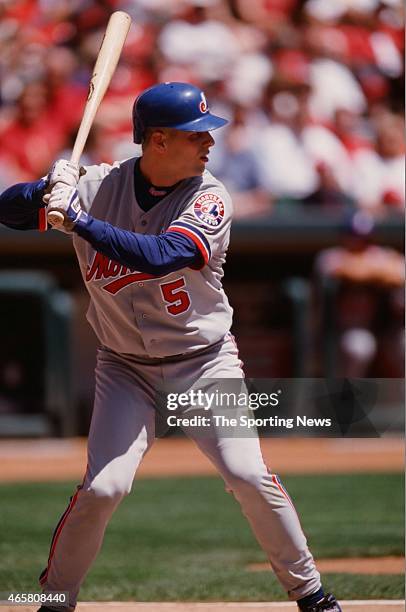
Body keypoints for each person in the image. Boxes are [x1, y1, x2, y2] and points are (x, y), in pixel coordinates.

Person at [0, 82, 341, 612]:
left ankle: (311, 593)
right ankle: (51, 602)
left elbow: (163, 254)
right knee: (103, 489)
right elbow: (7, 212)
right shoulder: (96, 185)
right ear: (156, 140)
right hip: (124, 369)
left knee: (248, 474)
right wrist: (42, 192)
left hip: (203, 364)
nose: (209, 144)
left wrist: (80, 220)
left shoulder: (210, 195)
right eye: (194, 134)